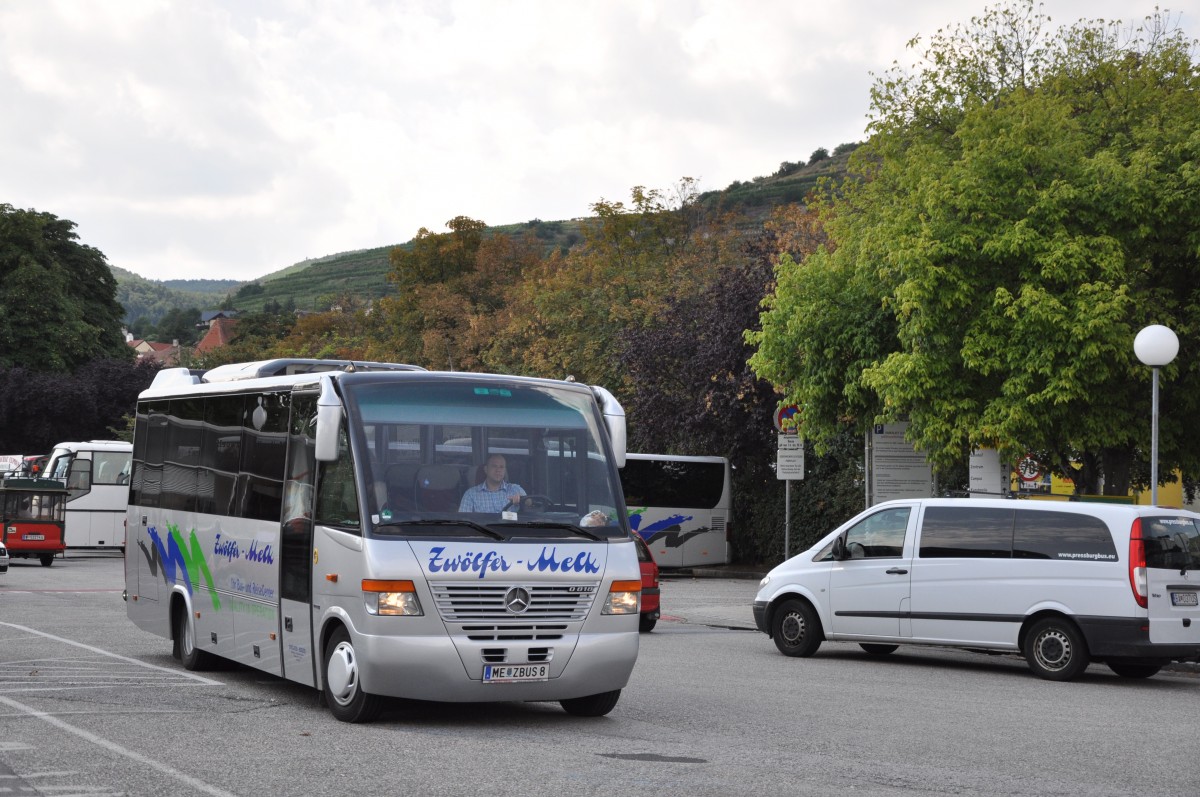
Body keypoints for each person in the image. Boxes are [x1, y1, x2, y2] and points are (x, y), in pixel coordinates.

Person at [458, 454, 526, 513]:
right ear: (486, 469)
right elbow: (463, 521)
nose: (498, 470)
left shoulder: (515, 489)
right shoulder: (471, 494)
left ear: (505, 471)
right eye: (494, 466)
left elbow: (531, 504)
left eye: (501, 467)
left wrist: (523, 501)